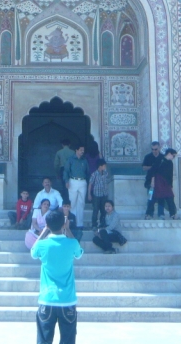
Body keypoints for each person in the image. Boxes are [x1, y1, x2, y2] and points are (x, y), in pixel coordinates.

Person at [31, 208, 84, 344]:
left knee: (44, 340)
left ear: (47, 224)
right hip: (67, 300)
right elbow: (79, 253)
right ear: (63, 223)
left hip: (47, 299)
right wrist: (68, 229)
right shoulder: (72, 243)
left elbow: (33, 252)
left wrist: (44, 230)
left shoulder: (42, 245)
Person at [64, 144, 89, 229]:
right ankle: (72, 222)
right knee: (73, 202)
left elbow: (87, 172)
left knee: (81, 203)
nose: (82, 152)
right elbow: (66, 171)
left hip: (82, 181)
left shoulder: (84, 160)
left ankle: (80, 224)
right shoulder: (71, 159)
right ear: (76, 150)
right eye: (81, 150)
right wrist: (66, 181)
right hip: (73, 181)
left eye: (83, 150)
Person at [150, 148, 179, 220]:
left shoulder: (170, 163)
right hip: (158, 182)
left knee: (170, 197)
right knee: (153, 198)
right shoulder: (159, 160)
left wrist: (171, 186)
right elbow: (153, 172)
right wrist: (152, 182)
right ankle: (149, 214)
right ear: (169, 154)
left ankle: (173, 214)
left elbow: (170, 176)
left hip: (166, 183)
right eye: (173, 156)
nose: (173, 158)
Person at [87, 158, 112, 228]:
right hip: (96, 195)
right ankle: (94, 224)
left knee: (103, 210)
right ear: (100, 166)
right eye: (104, 166)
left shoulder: (105, 173)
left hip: (104, 194)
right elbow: (90, 184)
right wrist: (89, 194)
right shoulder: (94, 174)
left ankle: (102, 223)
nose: (105, 167)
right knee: (95, 210)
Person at [142, 141, 164, 219]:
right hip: (150, 182)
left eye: (156, 149)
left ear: (159, 148)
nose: (154, 151)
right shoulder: (148, 157)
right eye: (153, 149)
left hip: (161, 183)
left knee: (161, 198)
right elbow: (144, 167)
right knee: (150, 197)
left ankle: (161, 214)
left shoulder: (163, 157)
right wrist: (153, 167)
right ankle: (149, 214)